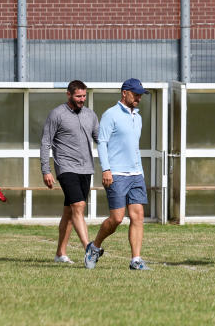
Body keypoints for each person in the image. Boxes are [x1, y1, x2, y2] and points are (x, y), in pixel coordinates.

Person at [85, 78, 150, 271]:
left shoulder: (137, 117)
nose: (139, 97)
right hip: (116, 174)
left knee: (138, 216)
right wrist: (106, 169)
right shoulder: (110, 115)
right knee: (117, 219)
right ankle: (94, 247)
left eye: (140, 94)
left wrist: (140, 171)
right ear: (124, 93)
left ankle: (136, 260)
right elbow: (102, 143)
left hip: (136, 173)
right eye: (135, 94)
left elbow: (134, 147)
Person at [41, 80, 100, 264]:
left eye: (84, 96)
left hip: (86, 169)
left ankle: (60, 253)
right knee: (79, 206)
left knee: (69, 212)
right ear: (68, 94)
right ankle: (89, 248)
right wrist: (46, 170)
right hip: (66, 168)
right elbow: (45, 142)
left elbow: (100, 140)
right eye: (78, 96)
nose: (82, 100)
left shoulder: (90, 115)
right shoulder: (57, 114)